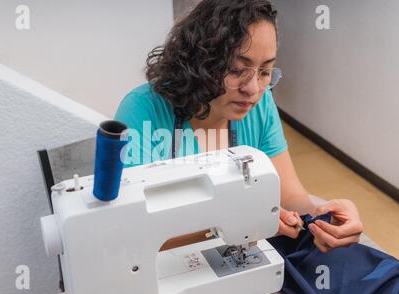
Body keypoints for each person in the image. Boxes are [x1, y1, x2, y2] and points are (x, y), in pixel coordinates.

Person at [114, 0, 363, 252]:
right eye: (236, 70)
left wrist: (324, 220)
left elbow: (289, 197)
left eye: (265, 72)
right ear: (199, 61)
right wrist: (233, 223)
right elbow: (135, 230)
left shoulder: (260, 104)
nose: (253, 89)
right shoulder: (143, 110)